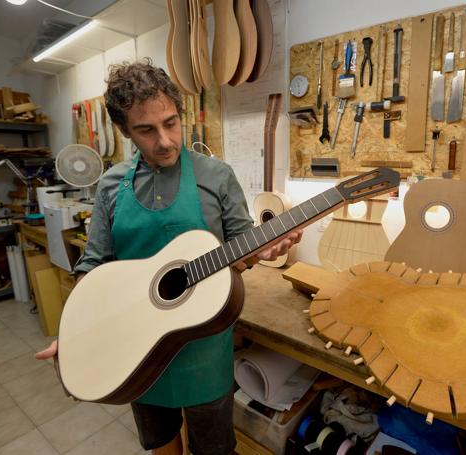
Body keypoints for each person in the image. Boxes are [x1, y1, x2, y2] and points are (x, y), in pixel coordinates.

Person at [36, 59, 302, 455]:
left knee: (213, 448)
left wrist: (260, 250)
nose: (164, 141)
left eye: (171, 123)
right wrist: (76, 330)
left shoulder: (217, 175)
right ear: (125, 131)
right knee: (161, 444)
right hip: (136, 345)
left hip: (204, 348)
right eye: (146, 130)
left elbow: (242, 245)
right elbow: (93, 264)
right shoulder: (111, 185)